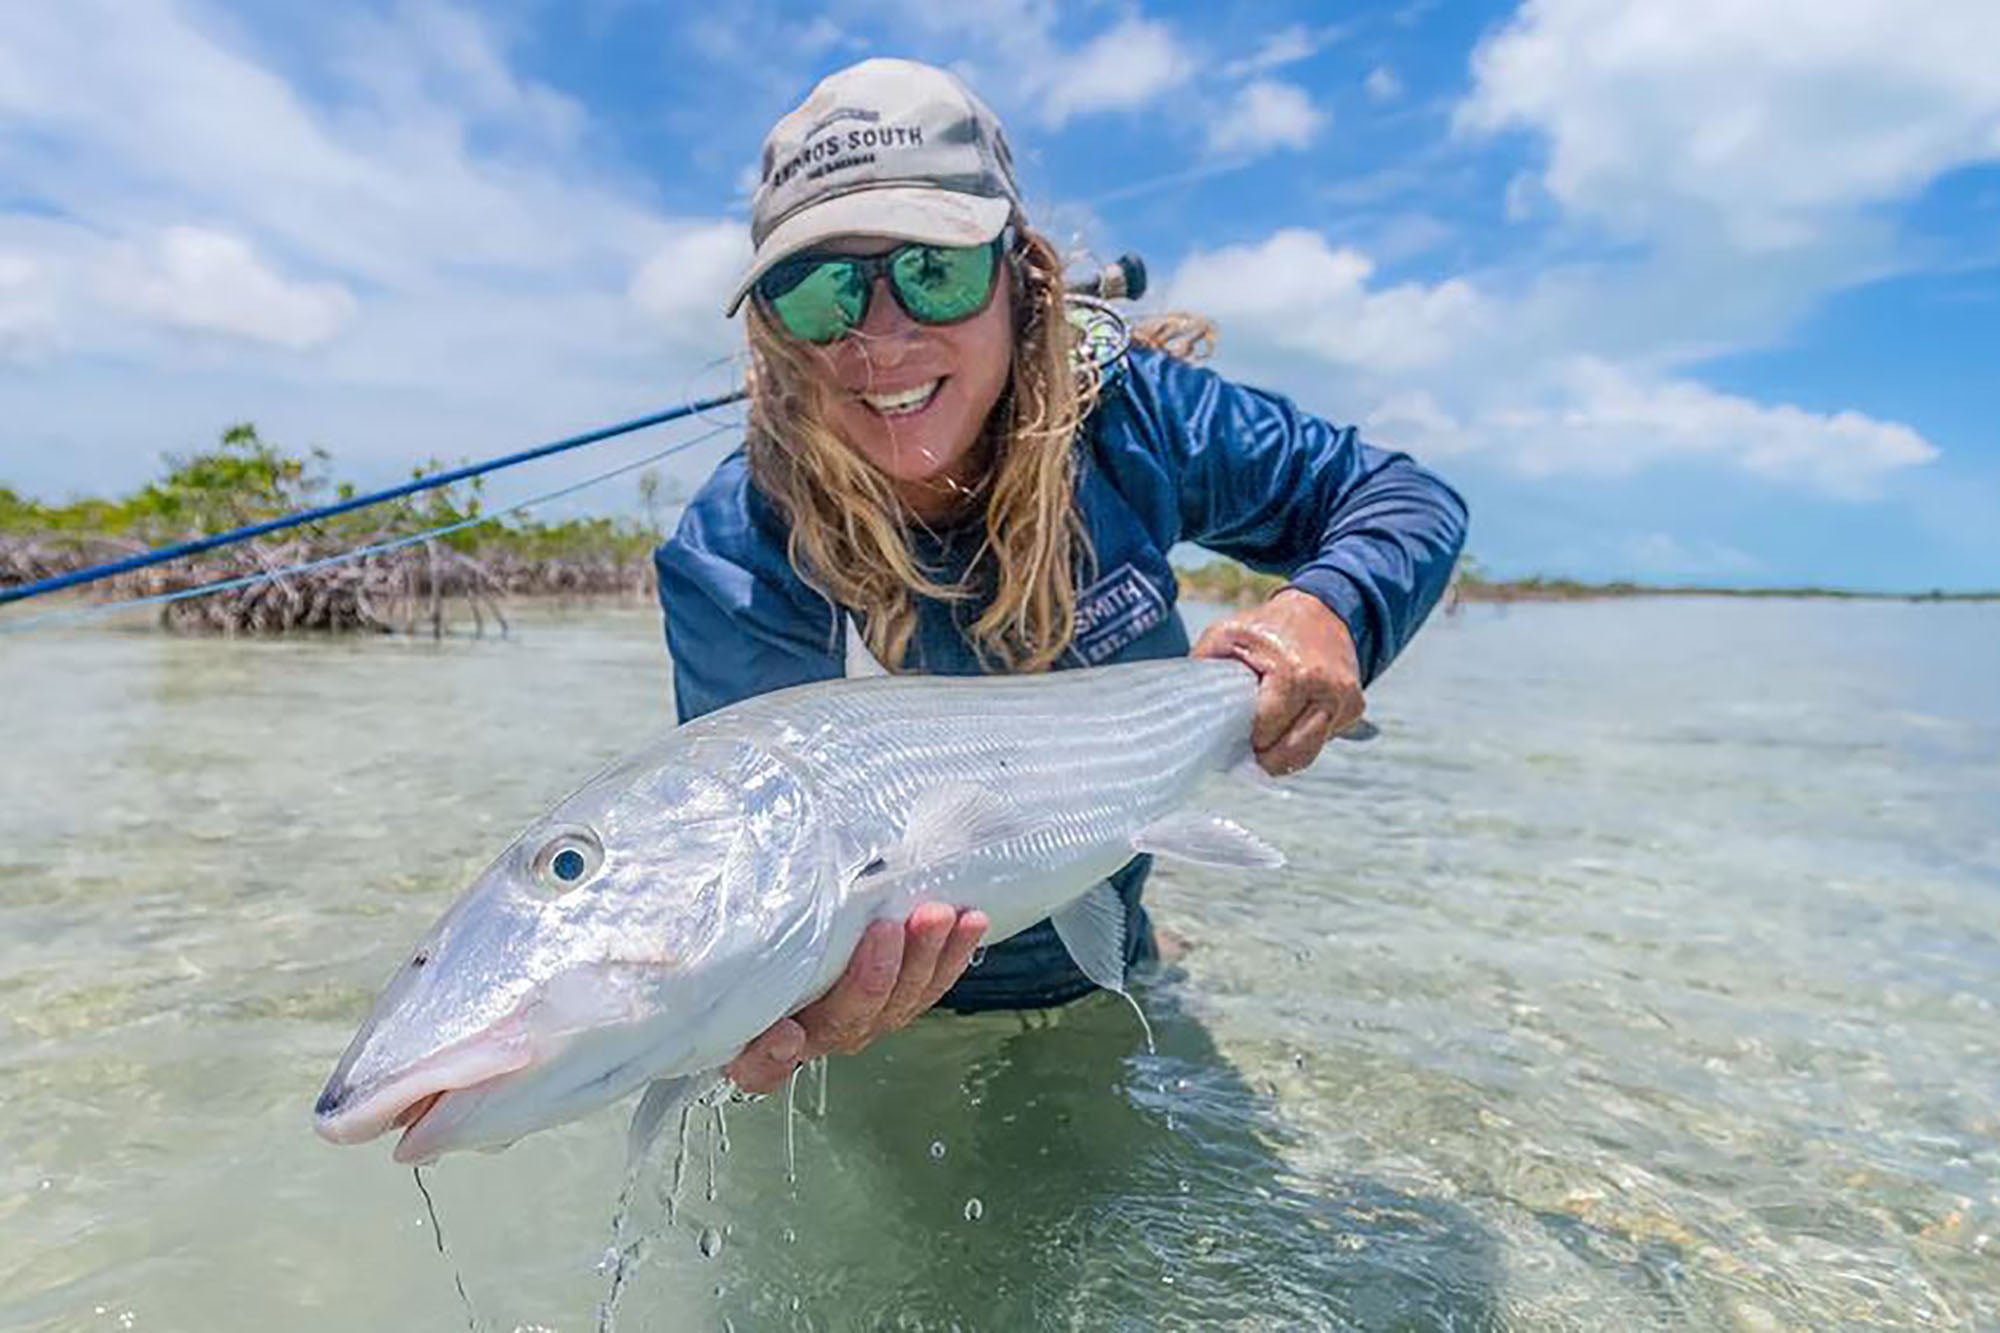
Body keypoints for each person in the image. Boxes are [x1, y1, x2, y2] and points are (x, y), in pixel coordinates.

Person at [655, 58, 1467, 1095]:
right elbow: (757, 893)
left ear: (1017, 274)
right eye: (819, 292)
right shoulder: (735, 548)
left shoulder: (1133, 417)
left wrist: (1329, 609)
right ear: (772, 328)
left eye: (933, 271)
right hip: (882, 1041)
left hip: (1115, 973)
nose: (881, 338)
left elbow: (1402, 501)